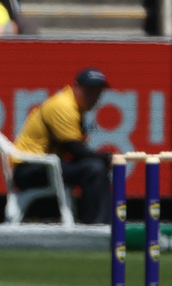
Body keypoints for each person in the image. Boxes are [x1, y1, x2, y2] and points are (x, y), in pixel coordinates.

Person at [12, 68, 112, 224]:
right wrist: (104, 158)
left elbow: (75, 151)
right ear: (76, 87)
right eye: (89, 90)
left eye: (98, 92)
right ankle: (96, 226)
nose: (94, 97)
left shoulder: (73, 106)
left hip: (40, 166)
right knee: (94, 168)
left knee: (94, 166)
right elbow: (76, 150)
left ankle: (100, 223)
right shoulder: (63, 106)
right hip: (29, 171)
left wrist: (100, 158)